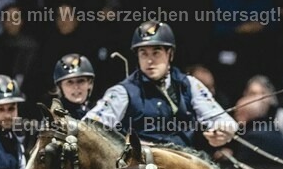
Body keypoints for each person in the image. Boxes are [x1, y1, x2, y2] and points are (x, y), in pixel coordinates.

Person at [84, 21, 238, 148]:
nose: (150, 60)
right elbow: (89, 128)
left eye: (156, 53)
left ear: (169, 54)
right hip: (142, 166)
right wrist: (123, 144)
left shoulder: (189, 84)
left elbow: (224, 121)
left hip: (186, 163)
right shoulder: (122, 92)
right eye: (143, 53)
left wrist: (222, 132)